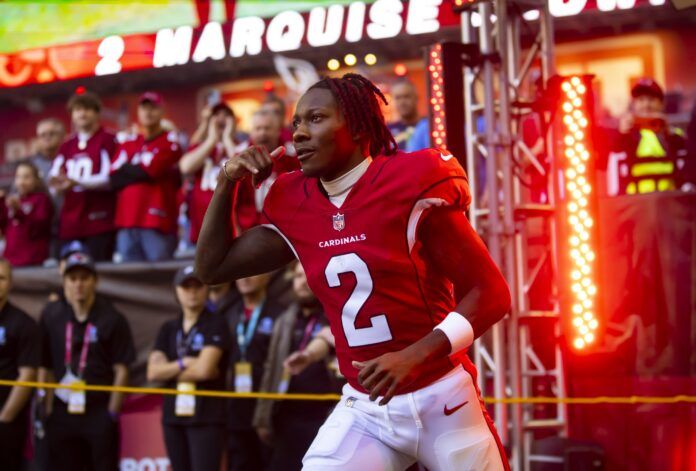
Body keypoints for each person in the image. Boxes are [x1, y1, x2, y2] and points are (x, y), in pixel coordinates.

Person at [196, 73, 511, 470]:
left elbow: (494, 294)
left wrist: (413, 355)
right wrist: (227, 182)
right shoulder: (296, 203)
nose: (299, 134)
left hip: (442, 397)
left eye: (315, 119)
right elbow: (212, 268)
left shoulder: (410, 181)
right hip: (366, 408)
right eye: (295, 124)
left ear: (359, 127)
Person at [39, 252, 135, 471]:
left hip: (98, 409)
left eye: (84, 278)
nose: (78, 285)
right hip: (61, 409)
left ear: (95, 281)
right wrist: (46, 407)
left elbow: (122, 369)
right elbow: (43, 366)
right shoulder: (51, 315)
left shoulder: (112, 318)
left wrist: (112, 412)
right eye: (72, 279)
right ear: (64, 283)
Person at [253, 262, 337, 471]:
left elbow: (326, 341)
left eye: (307, 276)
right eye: (298, 276)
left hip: (327, 416)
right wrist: (263, 416)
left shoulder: (335, 315)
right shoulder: (284, 319)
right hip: (287, 417)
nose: (303, 282)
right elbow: (271, 368)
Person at [147, 265, 231, 471]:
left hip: (207, 416)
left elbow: (204, 369)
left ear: (206, 289)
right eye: (186, 287)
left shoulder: (216, 323)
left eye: (198, 286)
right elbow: (153, 373)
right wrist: (184, 363)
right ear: (176, 291)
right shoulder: (168, 328)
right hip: (172, 416)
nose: (192, 292)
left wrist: (169, 369)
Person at [111, 92, 183, 262]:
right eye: (144, 108)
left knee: (158, 275)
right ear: (138, 112)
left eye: (153, 108)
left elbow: (152, 171)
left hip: (156, 220)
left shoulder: (170, 141)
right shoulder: (129, 142)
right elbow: (114, 178)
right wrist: (140, 172)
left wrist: (128, 169)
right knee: (129, 277)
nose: (148, 112)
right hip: (126, 220)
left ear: (162, 111)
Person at [49, 91, 118, 261]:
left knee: (99, 270)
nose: (82, 113)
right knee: (67, 270)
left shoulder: (108, 140)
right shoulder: (66, 146)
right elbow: (53, 181)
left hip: (99, 222)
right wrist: (57, 187)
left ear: (97, 113)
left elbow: (110, 178)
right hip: (71, 223)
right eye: (77, 109)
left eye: (87, 109)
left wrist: (75, 182)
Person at [226, 272, 283, 471]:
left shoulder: (280, 314)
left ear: (268, 276)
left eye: (253, 272)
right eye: (242, 273)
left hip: (270, 408)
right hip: (235, 408)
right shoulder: (229, 313)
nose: (244, 277)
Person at [609, 78, 690, 195]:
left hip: (668, 198)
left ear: (661, 104)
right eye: (641, 100)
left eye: (651, 100)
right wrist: (621, 133)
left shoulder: (672, 133)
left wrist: (667, 131)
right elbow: (613, 153)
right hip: (637, 201)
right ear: (634, 104)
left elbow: (686, 152)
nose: (646, 105)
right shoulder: (627, 133)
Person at [0, 258, 40, 469]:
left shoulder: (23, 324)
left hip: (7, 421)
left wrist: (4, 418)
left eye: (2, 278)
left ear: (10, 283)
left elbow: (27, 375)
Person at [180, 103, 237, 245]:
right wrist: (211, 140)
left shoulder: (236, 146)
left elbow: (243, 166)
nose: (221, 119)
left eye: (226, 115)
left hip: (231, 225)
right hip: (200, 226)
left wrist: (227, 139)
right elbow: (186, 167)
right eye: (217, 115)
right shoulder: (201, 147)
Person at [233, 110, 298, 232]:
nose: (263, 133)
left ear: (278, 131)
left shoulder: (292, 156)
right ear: (251, 132)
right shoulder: (240, 157)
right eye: (258, 128)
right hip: (249, 231)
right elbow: (232, 203)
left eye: (267, 128)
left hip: (286, 230)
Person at [0, 162, 53, 266]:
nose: (21, 181)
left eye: (26, 177)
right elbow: (3, 227)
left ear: (36, 180)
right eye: (18, 177)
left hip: (32, 260)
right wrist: (1, 203)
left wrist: (18, 211)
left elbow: (38, 229)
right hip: (10, 259)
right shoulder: (13, 199)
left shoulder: (41, 199)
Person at [388, 79, 429, 150]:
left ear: (416, 98)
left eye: (406, 96)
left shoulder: (429, 126)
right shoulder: (387, 132)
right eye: (398, 98)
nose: (402, 102)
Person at [30, 118, 66, 185]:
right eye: (43, 135)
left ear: (62, 136)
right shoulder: (31, 165)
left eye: (51, 134)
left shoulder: (71, 159)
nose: (47, 138)